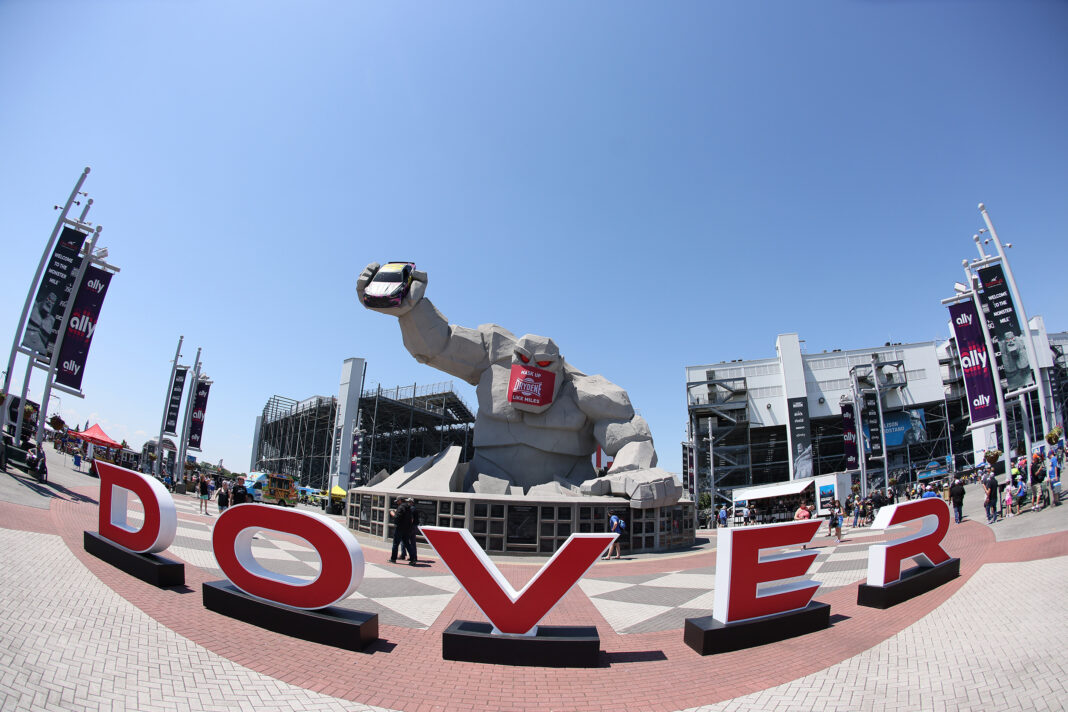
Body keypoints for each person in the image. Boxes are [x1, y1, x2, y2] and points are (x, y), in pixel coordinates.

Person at [389, 498, 415, 564]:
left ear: (400, 500)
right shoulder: (409, 508)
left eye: (397, 501)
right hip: (407, 529)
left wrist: (393, 513)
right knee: (407, 544)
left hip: (400, 528)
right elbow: (411, 519)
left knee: (395, 544)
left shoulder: (400, 507)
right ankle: (413, 559)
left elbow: (397, 517)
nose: (397, 502)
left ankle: (393, 559)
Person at [404, 498, 421, 566]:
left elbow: (411, 518)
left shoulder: (412, 509)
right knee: (413, 542)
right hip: (414, 526)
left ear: (411, 502)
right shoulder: (414, 508)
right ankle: (415, 556)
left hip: (411, 527)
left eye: (409, 502)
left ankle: (412, 557)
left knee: (407, 541)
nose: (408, 503)